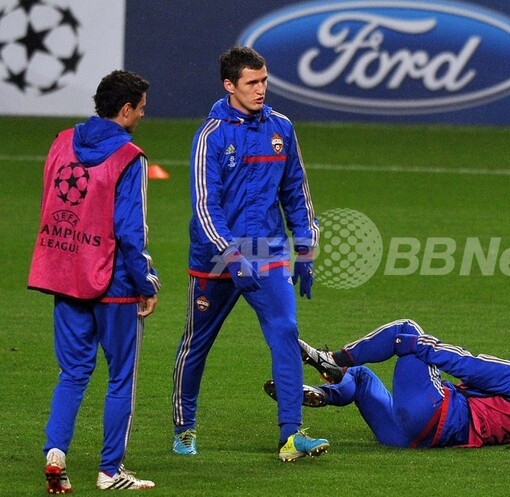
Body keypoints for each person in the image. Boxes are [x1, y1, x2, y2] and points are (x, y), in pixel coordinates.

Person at [171, 46, 327, 462]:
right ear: (229, 85)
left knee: (286, 331)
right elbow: (206, 206)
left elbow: (296, 192)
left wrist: (305, 246)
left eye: (264, 81)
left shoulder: (281, 128)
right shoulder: (211, 135)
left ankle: (291, 435)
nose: (261, 89)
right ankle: (184, 427)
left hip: (267, 251)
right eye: (252, 83)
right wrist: (230, 254)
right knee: (197, 343)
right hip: (216, 255)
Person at [28, 70, 160, 491]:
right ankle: (110, 471)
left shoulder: (62, 141)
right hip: (114, 284)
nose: (143, 115)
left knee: (72, 372)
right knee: (121, 377)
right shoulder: (129, 157)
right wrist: (147, 283)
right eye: (141, 108)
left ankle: (55, 453)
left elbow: (50, 202)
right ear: (126, 110)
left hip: (67, 273)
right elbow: (131, 232)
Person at [264, 319, 510, 449]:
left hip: (434, 411)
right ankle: (322, 394)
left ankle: (332, 359)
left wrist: (419, 345)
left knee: (407, 330)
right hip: (413, 438)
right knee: (360, 378)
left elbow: (470, 365)